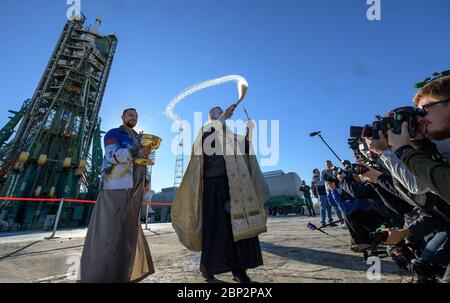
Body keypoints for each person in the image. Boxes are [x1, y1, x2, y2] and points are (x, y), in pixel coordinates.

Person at [171, 104, 270, 283]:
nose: (221, 117)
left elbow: (245, 149)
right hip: (213, 184)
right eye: (218, 114)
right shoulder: (206, 131)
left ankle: (239, 270)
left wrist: (249, 131)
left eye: (222, 114)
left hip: (235, 185)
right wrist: (223, 118)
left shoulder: (231, 136)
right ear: (211, 118)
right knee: (215, 228)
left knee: (238, 228)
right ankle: (208, 269)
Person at [79, 108, 154, 283]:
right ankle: (99, 276)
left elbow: (143, 162)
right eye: (130, 114)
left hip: (135, 189)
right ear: (122, 117)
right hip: (116, 188)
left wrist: (146, 182)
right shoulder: (114, 133)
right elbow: (112, 155)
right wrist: (136, 152)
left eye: (136, 115)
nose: (133, 117)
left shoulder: (139, 138)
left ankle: (122, 275)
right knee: (109, 231)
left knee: (127, 233)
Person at [322, 160, 345, 228]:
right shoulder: (323, 172)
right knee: (335, 208)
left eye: (329, 164)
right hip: (329, 190)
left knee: (341, 206)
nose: (328, 165)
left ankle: (347, 221)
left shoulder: (335, 169)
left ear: (331, 164)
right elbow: (323, 181)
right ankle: (342, 222)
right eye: (327, 164)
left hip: (338, 190)